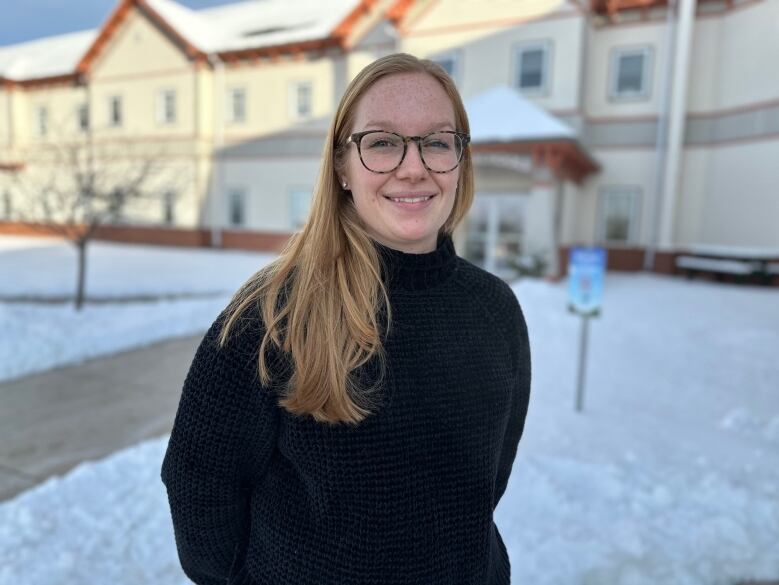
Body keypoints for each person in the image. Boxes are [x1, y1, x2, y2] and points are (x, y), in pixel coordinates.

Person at [161, 52, 532, 585]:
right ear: (341, 166)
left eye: (436, 141)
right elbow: (200, 485)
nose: (413, 166)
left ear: (460, 160)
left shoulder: (494, 308)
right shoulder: (273, 313)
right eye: (382, 142)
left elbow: (485, 483)